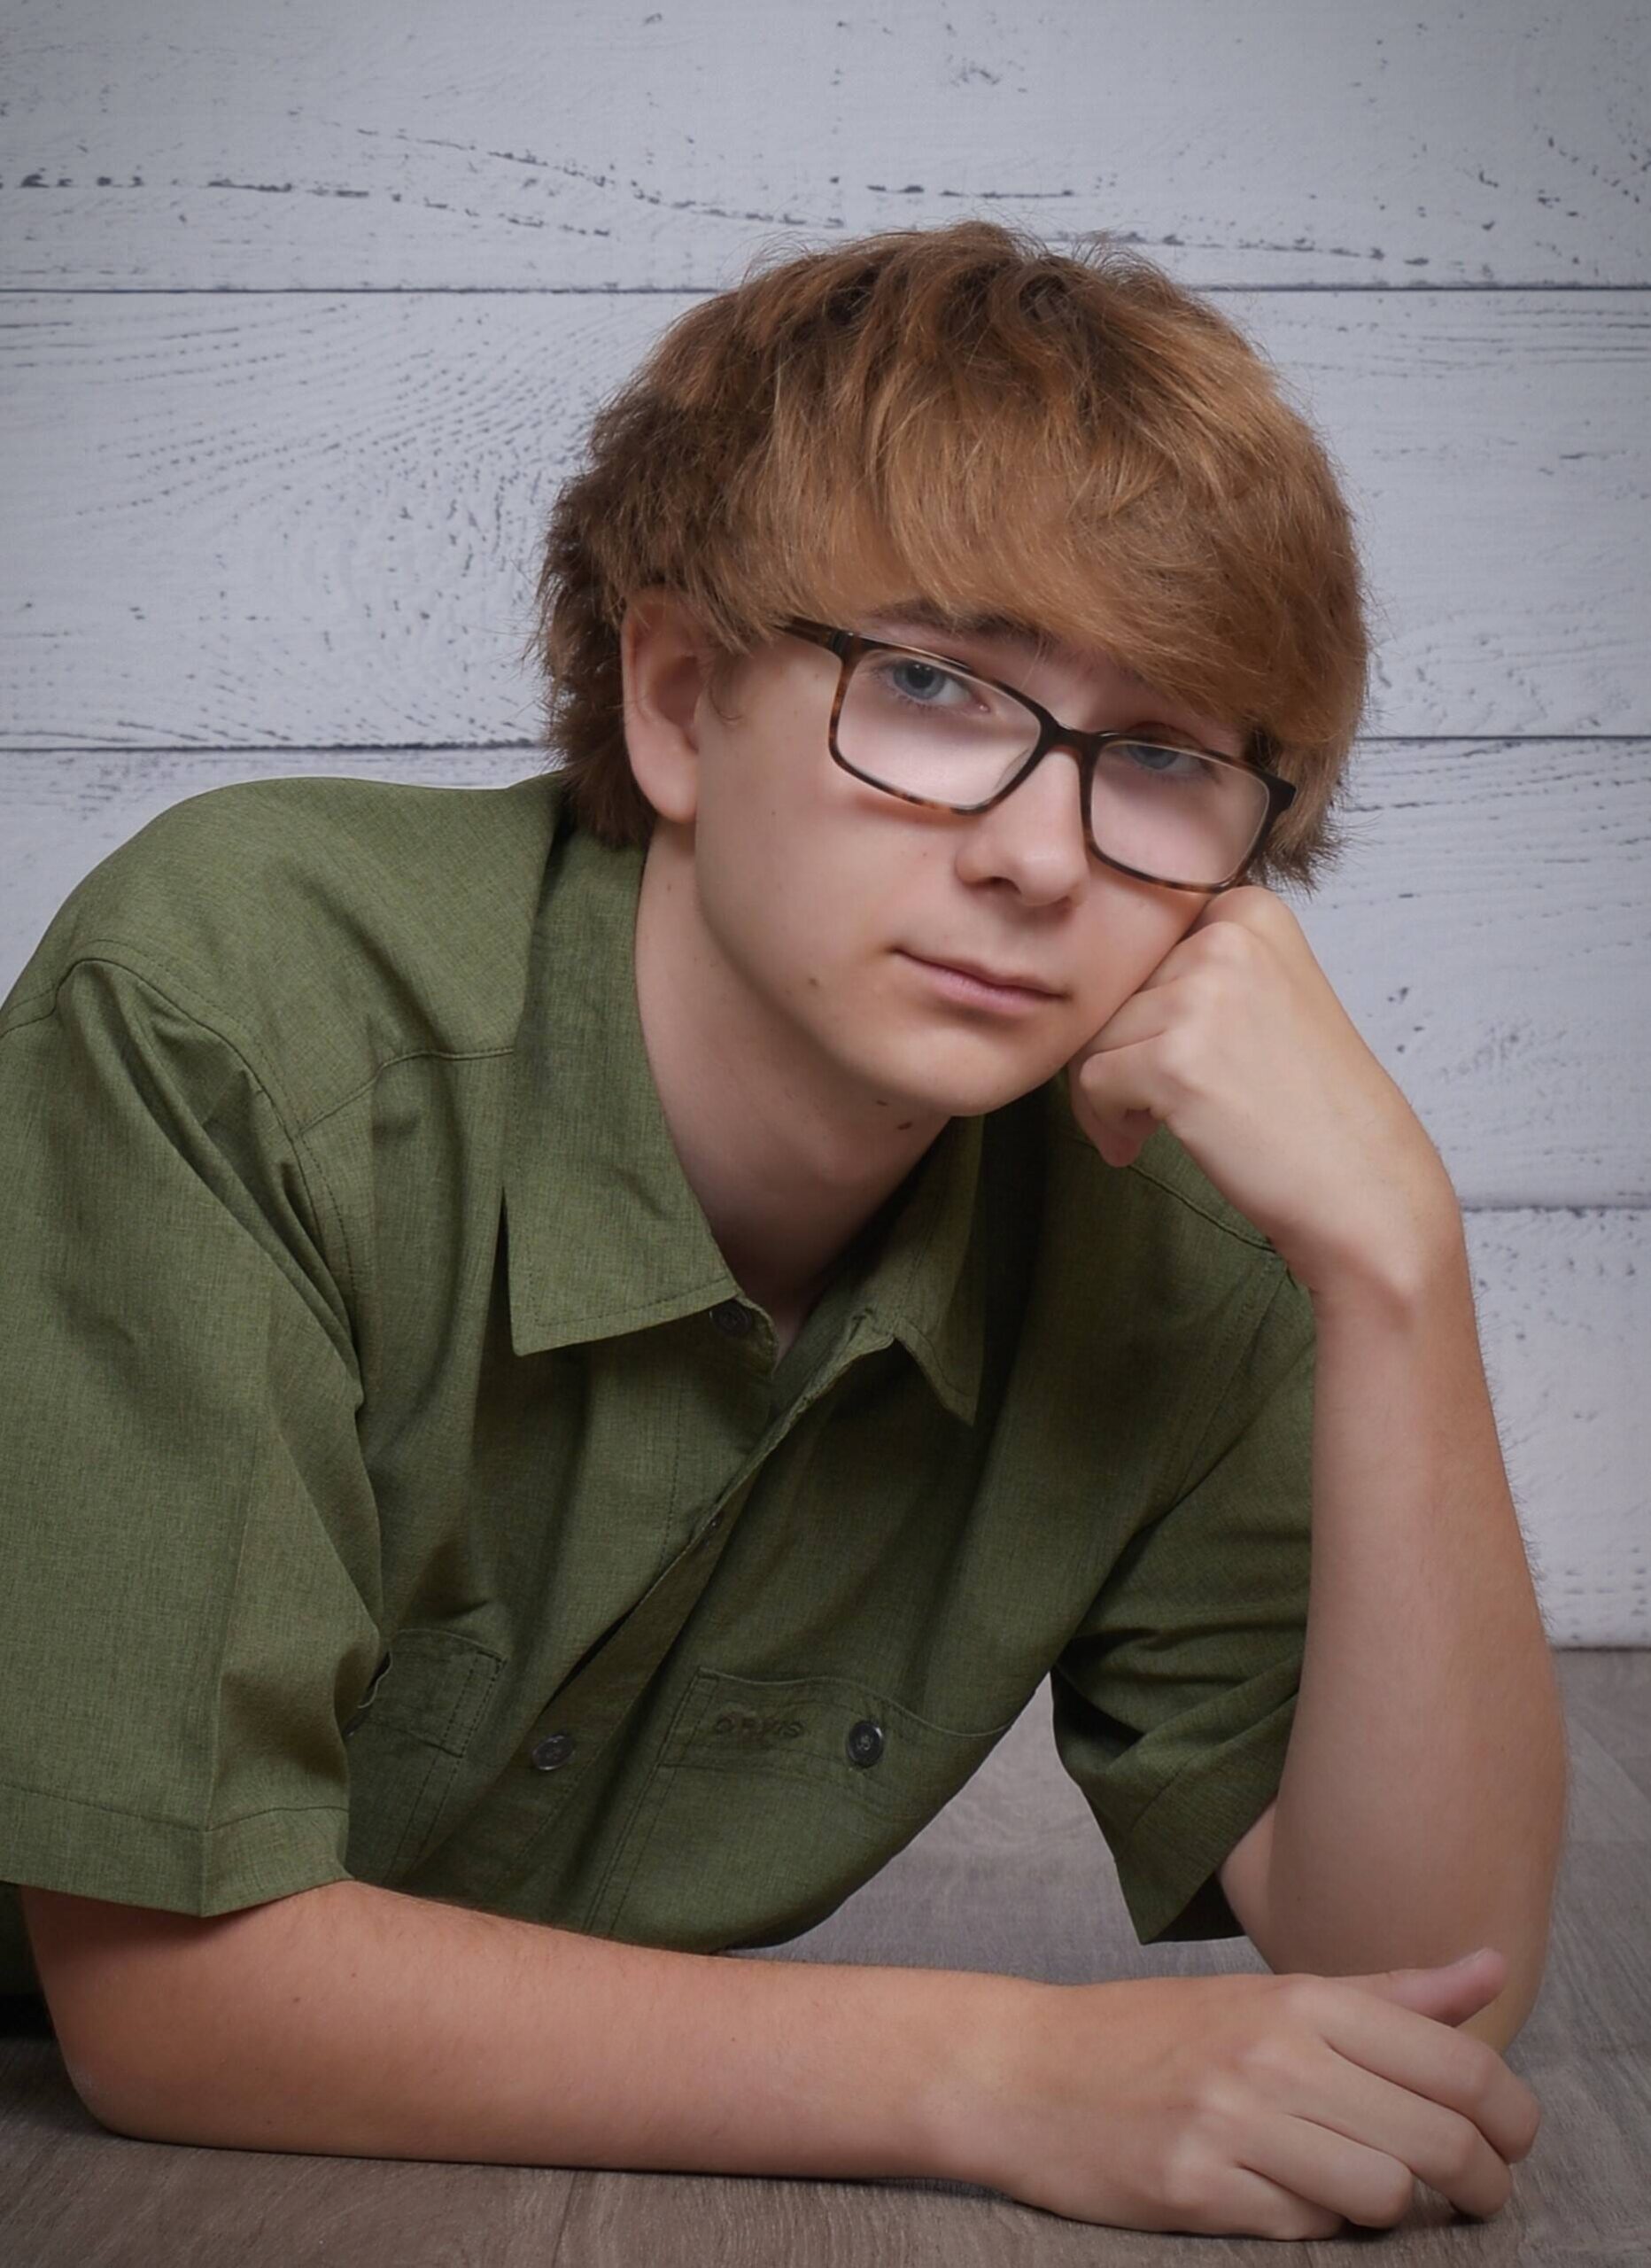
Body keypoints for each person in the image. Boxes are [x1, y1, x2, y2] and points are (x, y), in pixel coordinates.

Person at [1, 220, 1562, 2237]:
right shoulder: (236, 1008)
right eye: (930, 687)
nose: (1036, 855)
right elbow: (169, 2006)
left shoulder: (1176, 1231)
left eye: (1163, 757)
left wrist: (1399, 1269)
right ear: (675, 698)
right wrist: (997, 2074)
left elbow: (1418, 2006)